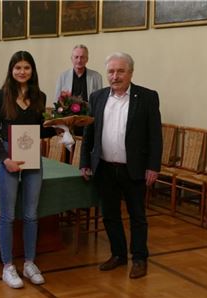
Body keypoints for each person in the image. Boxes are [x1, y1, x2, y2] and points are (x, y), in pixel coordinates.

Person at [80, 52, 162, 279]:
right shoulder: (96, 97)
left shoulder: (147, 97)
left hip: (133, 168)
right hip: (104, 167)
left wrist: (153, 166)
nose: (115, 76)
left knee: (137, 216)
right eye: (111, 71)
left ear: (130, 73)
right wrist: (85, 162)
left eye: (120, 71)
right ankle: (118, 254)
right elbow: (89, 133)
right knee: (110, 214)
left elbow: (155, 136)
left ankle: (139, 258)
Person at [0, 51, 56, 289]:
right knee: (7, 215)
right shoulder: (1, 96)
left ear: (32, 70)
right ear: (11, 70)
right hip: (8, 158)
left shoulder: (40, 96)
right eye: (18, 67)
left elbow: (41, 130)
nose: (22, 71)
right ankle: (8, 266)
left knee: (30, 214)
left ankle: (29, 262)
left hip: (32, 158)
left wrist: (60, 126)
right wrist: (5, 159)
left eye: (26, 67)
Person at [55, 44, 103, 139]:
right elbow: (57, 101)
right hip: (69, 124)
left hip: (88, 122)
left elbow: (100, 102)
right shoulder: (63, 76)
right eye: (76, 57)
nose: (79, 60)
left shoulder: (96, 77)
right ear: (71, 59)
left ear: (87, 59)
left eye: (82, 57)